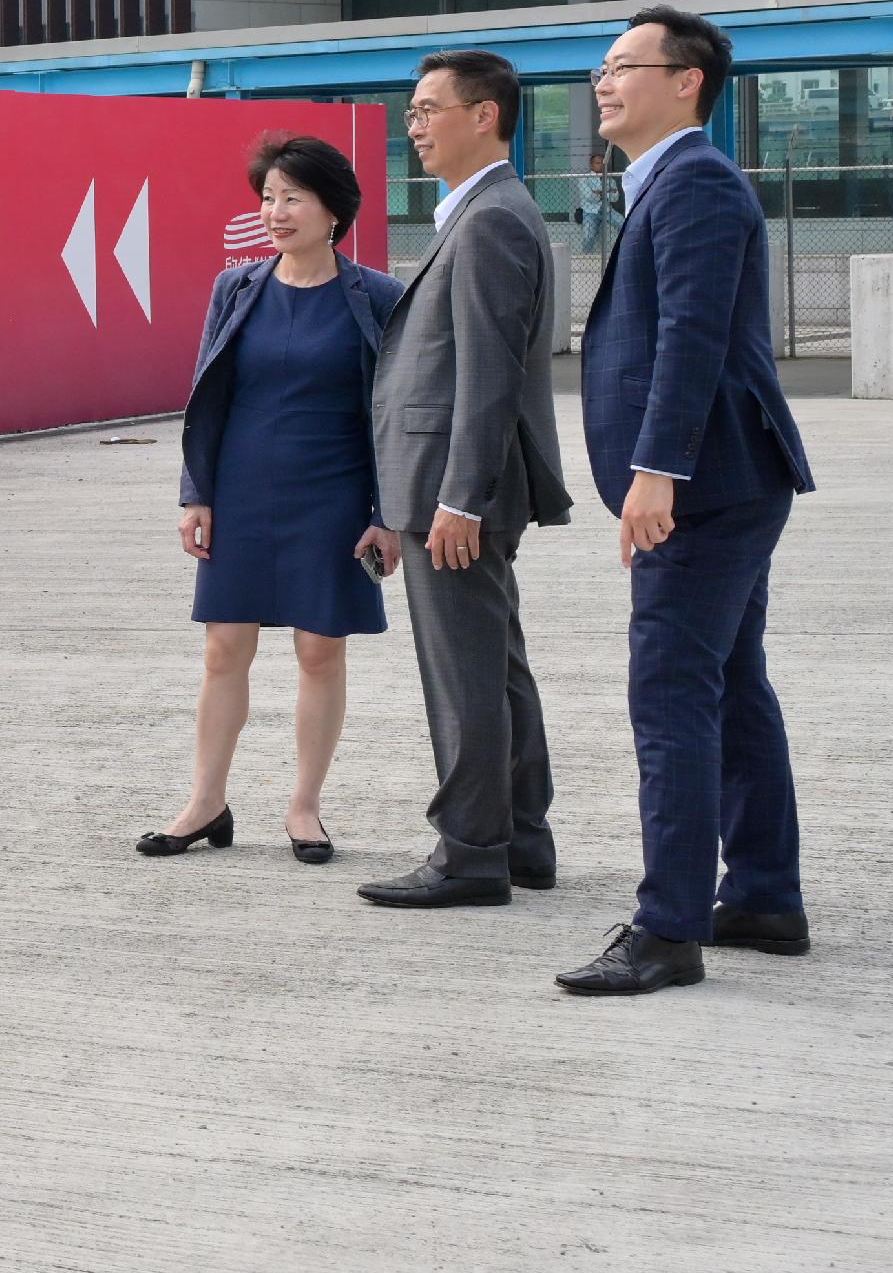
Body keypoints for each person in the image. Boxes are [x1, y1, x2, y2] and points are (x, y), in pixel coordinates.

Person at [560, 5, 816, 998]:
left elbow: (693, 339)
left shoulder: (697, 182)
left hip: (704, 485)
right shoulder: (665, 183)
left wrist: (654, 472)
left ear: (687, 83)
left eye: (626, 65)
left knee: (669, 693)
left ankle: (666, 930)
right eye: (601, 67)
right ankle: (761, 895)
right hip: (728, 480)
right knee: (730, 688)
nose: (603, 82)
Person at [352, 50, 578, 913]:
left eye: (428, 108)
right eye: (410, 110)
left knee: (465, 676)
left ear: (484, 115)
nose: (413, 124)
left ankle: (471, 851)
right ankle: (520, 838)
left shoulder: (489, 220)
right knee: (495, 663)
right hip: (453, 482)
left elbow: (487, 374)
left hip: (455, 490)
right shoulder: (484, 212)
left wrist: (458, 498)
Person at [154, 133, 405, 861]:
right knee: (223, 647)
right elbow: (210, 395)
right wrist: (195, 493)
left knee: (319, 650)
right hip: (241, 490)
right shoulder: (236, 287)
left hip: (333, 494)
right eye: (268, 196)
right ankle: (205, 802)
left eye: (293, 196)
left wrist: (386, 514)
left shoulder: (378, 297)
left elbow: (391, 413)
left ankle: (304, 807)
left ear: (334, 210)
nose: (276, 210)